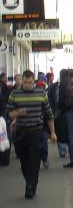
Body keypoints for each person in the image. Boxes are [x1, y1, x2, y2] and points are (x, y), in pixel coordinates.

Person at [4, 70, 56, 198]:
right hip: (20, 132)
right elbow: (8, 113)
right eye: (25, 82)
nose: (27, 85)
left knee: (34, 161)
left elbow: (49, 114)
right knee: (24, 162)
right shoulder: (15, 94)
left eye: (30, 82)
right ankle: (30, 182)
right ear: (22, 81)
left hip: (36, 131)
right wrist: (17, 114)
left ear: (34, 81)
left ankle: (30, 186)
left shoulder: (41, 93)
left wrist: (53, 132)